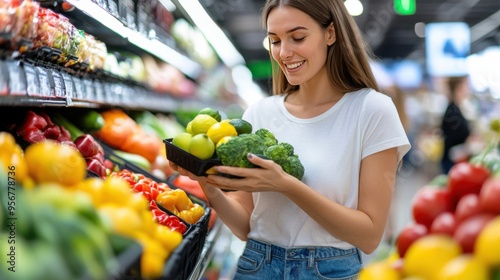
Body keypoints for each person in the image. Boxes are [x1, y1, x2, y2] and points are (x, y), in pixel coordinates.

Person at [170, 0, 410, 278]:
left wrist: (288, 187)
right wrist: (206, 182)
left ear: (330, 33)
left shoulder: (372, 110)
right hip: (256, 266)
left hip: (329, 270)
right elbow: (246, 226)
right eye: (274, 41)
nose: (284, 53)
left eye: (297, 37)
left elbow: (369, 236)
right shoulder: (260, 113)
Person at [440, 76, 472, 174]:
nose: (469, 88)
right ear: (458, 88)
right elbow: (455, 138)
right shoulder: (452, 111)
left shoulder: (455, 108)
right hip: (452, 162)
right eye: (466, 85)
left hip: (454, 160)